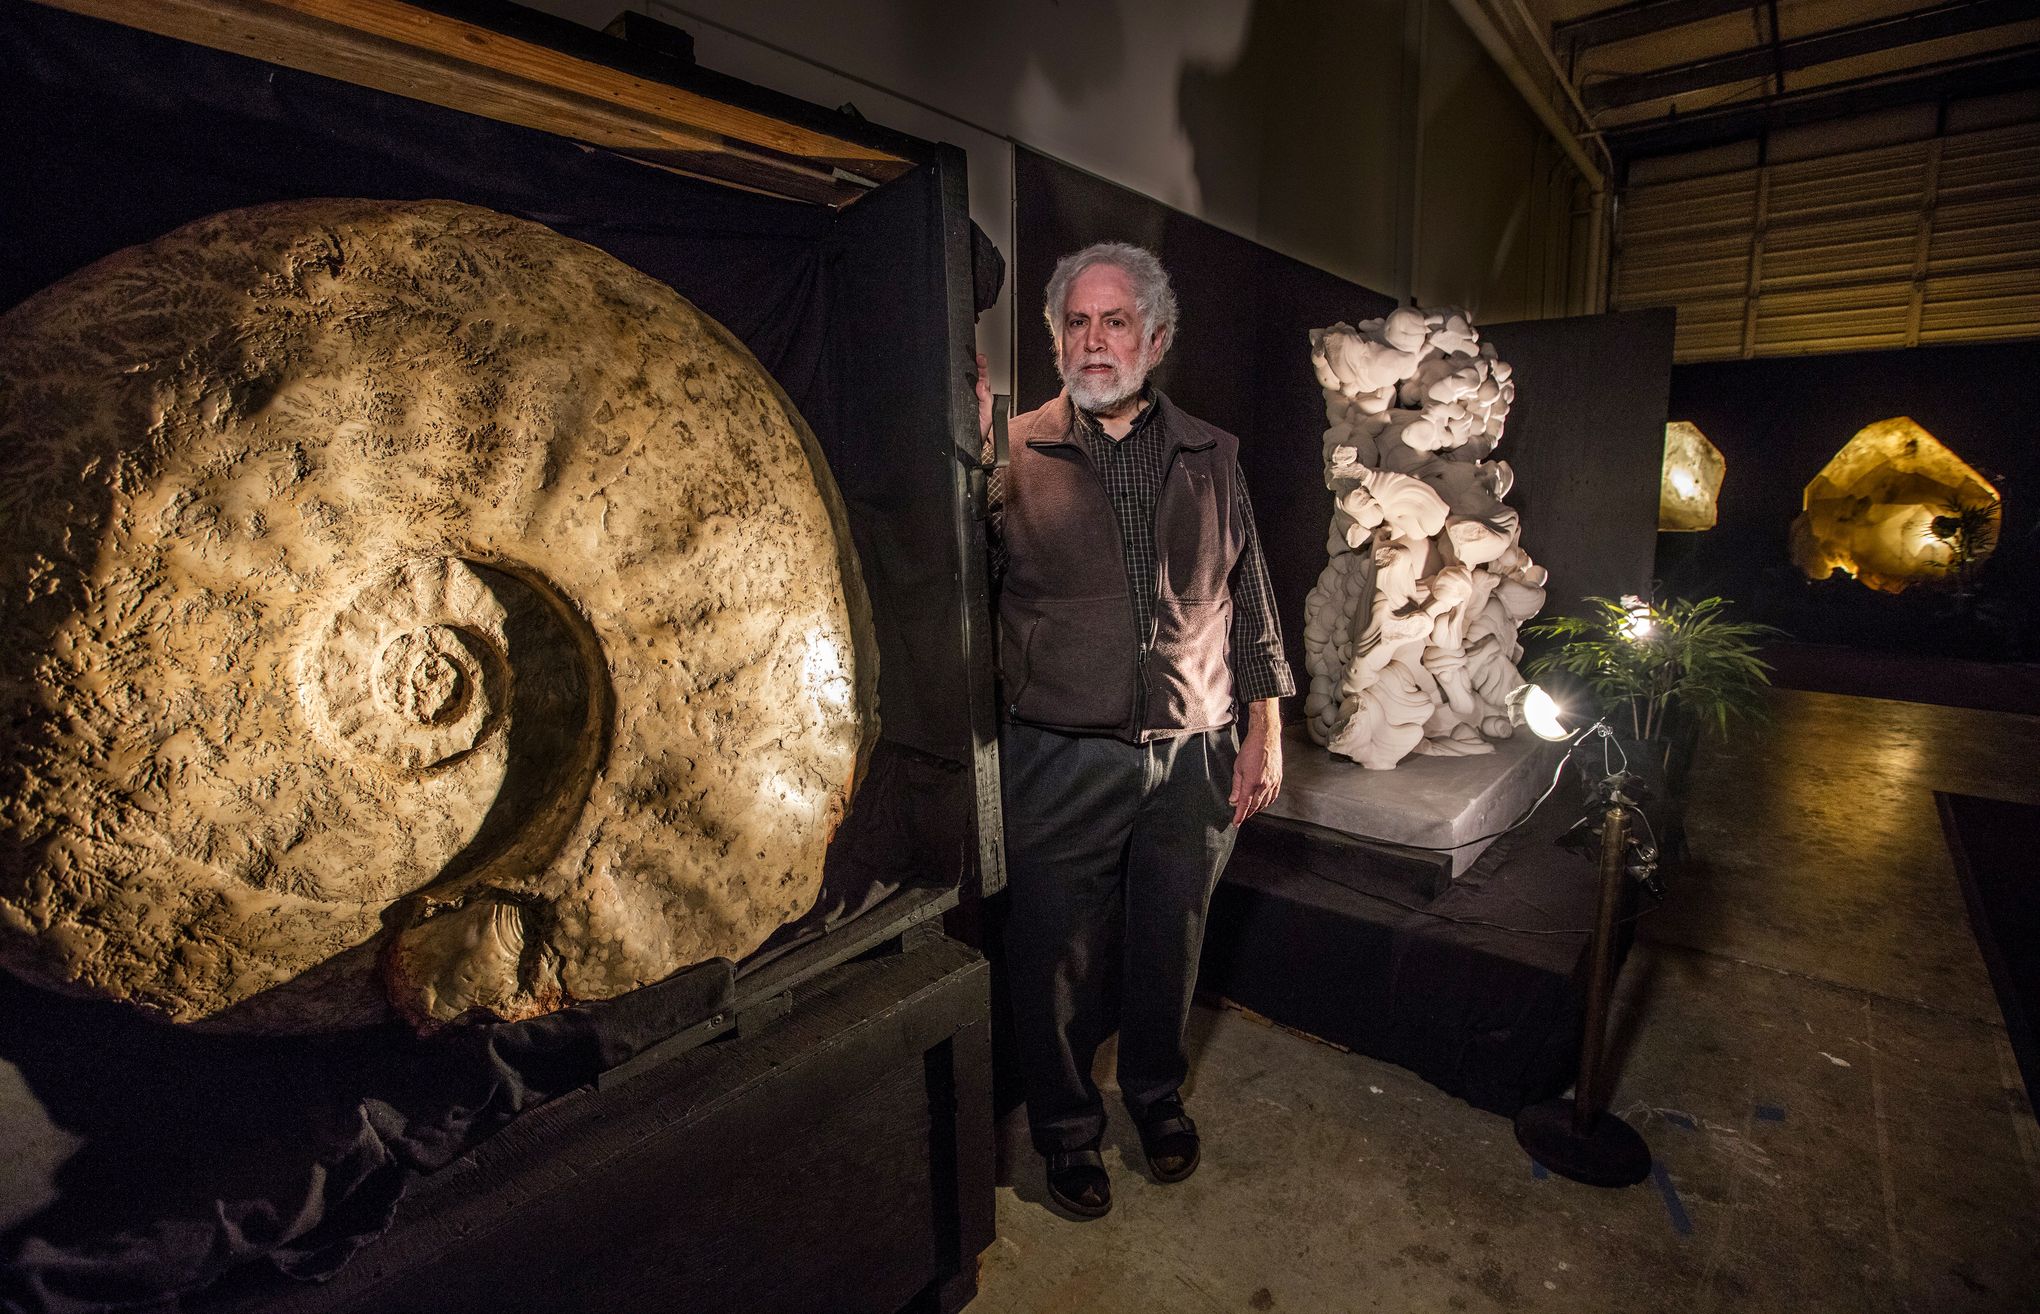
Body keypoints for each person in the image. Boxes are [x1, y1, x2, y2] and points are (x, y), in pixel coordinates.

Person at [976, 241, 1293, 1219]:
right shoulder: (1010, 451)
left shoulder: (1212, 453)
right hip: (1056, 754)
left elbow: (1251, 600)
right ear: (1056, 337)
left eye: (1115, 321)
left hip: (1196, 757)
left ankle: (1155, 1098)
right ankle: (1067, 1132)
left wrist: (1266, 729)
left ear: (1155, 338)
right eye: (1077, 321)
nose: (1094, 338)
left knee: (1172, 942)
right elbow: (957, 596)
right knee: (1055, 957)